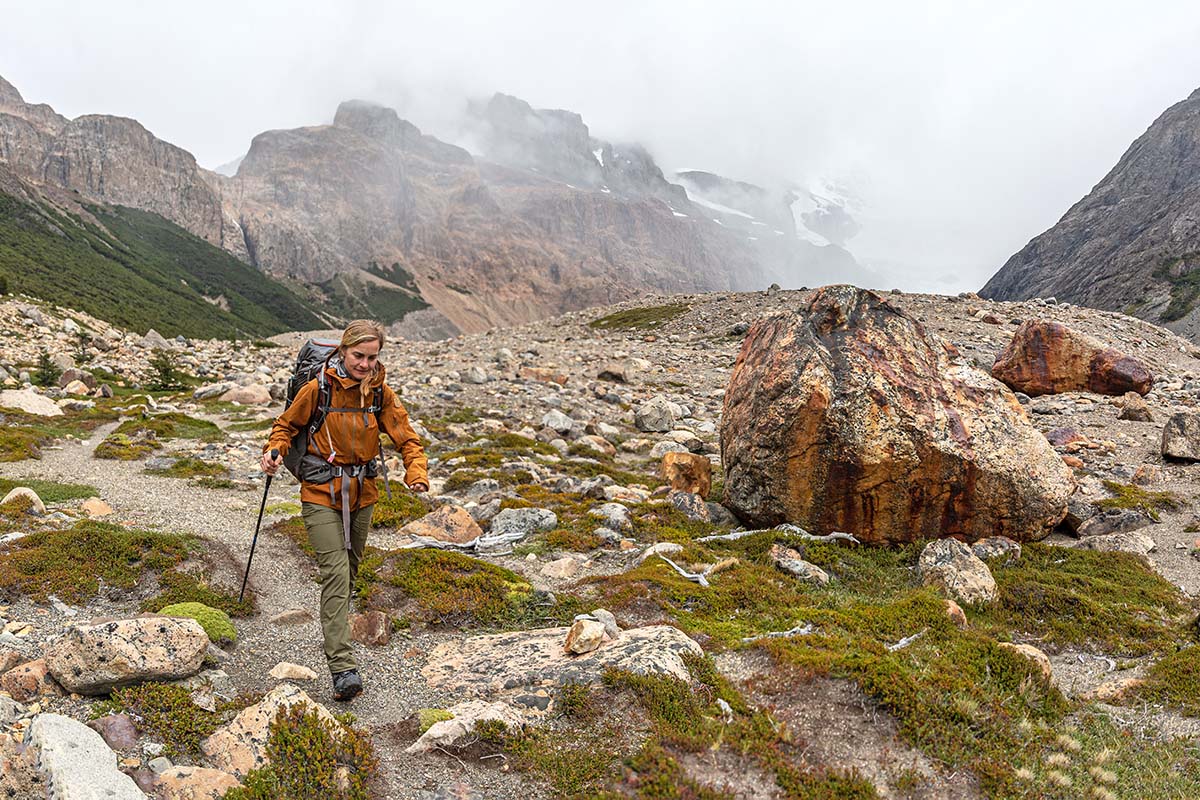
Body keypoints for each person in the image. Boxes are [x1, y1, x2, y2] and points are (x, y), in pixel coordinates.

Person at [260, 319, 428, 701]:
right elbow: (285, 426)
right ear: (342, 351)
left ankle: (334, 627)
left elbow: (407, 437)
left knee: (349, 570)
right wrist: (274, 452)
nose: (365, 364)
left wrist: (415, 471)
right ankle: (343, 667)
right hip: (319, 491)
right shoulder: (317, 387)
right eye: (358, 356)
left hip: (362, 494)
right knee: (336, 573)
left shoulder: (380, 393)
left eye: (372, 357)